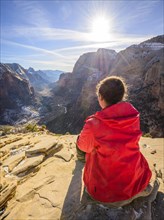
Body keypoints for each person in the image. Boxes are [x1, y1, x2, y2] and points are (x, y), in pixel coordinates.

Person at [76, 76, 152, 206]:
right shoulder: (133, 116)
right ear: (122, 96)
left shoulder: (94, 124)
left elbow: (83, 147)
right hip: (135, 181)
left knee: (80, 142)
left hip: (103, 192)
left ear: (100, 97)